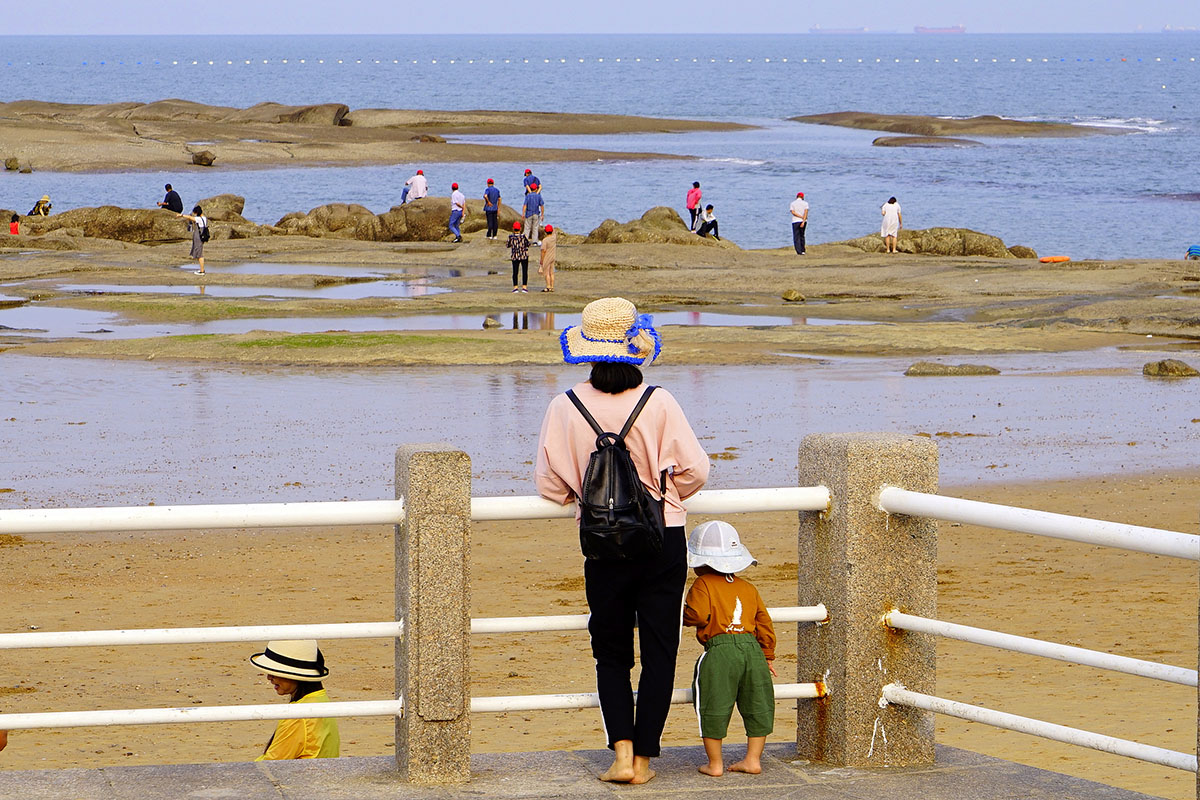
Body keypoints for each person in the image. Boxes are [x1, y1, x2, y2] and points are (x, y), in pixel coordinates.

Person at [536, 297, 710, 785]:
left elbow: (550, 487)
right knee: (660, 649)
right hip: (663, 537)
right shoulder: (659, 401)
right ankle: (646, 762)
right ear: (636, 349)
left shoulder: (564, 405)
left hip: (601, 545)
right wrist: (666, 493)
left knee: (609, 651)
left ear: (588, 351)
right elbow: (697, 470)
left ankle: (621, 754)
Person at [682, 520, 776, 777]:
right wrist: (767, 654)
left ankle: (715, 764)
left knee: (713, 702)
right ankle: (753, 759)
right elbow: (764, 622)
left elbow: (698, 615)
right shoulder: (748, 587)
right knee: (757, 703)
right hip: (752, 649)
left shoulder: (703, 585)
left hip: (721, 648)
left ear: (700, 562)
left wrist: (683, 614)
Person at [250, 640, 340, 761]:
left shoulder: (297, 716)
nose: (269, 677)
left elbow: (270, 765)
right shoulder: (320, 699)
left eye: (275, 672)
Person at [178, 205, 208, 275]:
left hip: (198, 237)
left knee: (199, 254)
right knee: (199, 252)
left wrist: (181, 215)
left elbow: (190, 217)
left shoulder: (199, 219)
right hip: (202, 236)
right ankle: (201, 269)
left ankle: (202, 271)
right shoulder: (204, 218)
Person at [508, 221, 530, 292]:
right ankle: (524, 287)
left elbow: (508, 245)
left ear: (513, 229)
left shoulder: (511, 237)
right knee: (524, 271)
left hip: (515, 256)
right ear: (520, 228)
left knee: (515, 272)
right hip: (524, 256)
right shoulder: (523, 237)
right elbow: (528, 244)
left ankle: (515, 287)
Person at [538, 224, 557, 292]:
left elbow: (543, 251)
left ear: (545, 232)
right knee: (552, 272)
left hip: (547, 257)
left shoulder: (545, 240)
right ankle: (552, 287)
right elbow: (554, 231)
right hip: (553, 256)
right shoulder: (554, 237)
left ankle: (548, 286)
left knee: (546, 273)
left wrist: (541, 261)